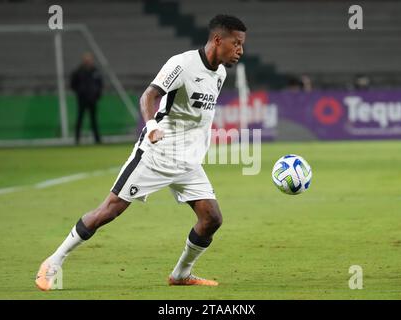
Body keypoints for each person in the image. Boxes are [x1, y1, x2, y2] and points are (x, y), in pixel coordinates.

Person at [35, 14, 247, 290]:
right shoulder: (182, 64)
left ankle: (181, 274)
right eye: (237, 43)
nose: (241, 50)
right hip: (156, 154)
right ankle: (53, 261)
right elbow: (149, 96)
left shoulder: (220, 74)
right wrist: (150, 128)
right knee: (109, 210)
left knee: (211, 218)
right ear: (218, 39)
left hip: (189, 163)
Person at [70, 52, 103, 144]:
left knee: (94, 120)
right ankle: (77, 139)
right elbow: (73, 84)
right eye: (86, 60)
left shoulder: (95, 71)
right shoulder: (78, 72)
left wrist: (97, 95)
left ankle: (97, 140)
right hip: (82, 99)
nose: (88, 62)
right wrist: (80, 92)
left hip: (93, 99)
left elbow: (100, 84)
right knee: (80, 119)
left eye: (89, 60)